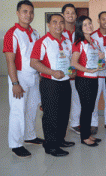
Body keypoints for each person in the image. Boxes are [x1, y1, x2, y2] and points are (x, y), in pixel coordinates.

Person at [3, 0, 44, 158]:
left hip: (34, 77)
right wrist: (15, 83)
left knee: (31, 108)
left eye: (31, 12)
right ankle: (16, 144)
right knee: (18, 111)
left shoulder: (35, 33)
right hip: (19, 76)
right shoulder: (12, 33)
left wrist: (40, 76)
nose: (28, 15)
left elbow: (37, 58)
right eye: (25, 11)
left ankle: (30, 136)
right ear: (18, 13)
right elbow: (9, 60)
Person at [30, 14, 75, 157]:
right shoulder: (43, 42)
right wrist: (52, 72)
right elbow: (34, 62)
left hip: (65, 82)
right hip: (50, 83)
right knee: (51, 115)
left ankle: (60, 140)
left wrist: (72, 71)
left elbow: (69, 61)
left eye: (61, 22)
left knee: (64, 113)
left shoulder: (67, 42)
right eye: (54, 22)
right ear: (48, 24)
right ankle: (50, 146)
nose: (58, 25)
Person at [71, 15, 103, 147]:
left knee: (90, 108)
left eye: (90, 23)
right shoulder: (79, 43)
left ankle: (88, 134)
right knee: (86, 108)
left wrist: (101, 56)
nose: (89, 26)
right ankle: (84, 137)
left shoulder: (94, 43)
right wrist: (88, 70)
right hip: (84, 79)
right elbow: (73, 63)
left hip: (94, 79)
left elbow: (96, 61)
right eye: (85, 25)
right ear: (80, 28)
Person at [60, 3, 81, 135]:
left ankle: (74, 123)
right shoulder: (58, 30)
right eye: (67, 13)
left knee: (76, 98)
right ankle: (61, 126)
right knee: (61, 100)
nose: (70, 15)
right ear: (63, 15)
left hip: (77, 71)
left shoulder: (79, 31)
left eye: (73, 13)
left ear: (76, 16)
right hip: (60, 72)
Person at [91, 11, 106, 131]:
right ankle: (93, 123)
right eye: (103, 19)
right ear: (98, 20)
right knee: (95, 99)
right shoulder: (92, 36)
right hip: (97, 74)